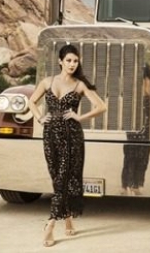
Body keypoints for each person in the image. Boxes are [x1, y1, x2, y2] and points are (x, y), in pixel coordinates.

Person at [27, 44, 107, 248]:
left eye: (75, 61)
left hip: (72, 136)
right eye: (69, 60)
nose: (72, 64)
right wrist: (40, 118)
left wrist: (80, 117)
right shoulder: (47, 82)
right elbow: (31, 102)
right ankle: (69, 217)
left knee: (64, 177)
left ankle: (50, 225)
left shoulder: (80, 85)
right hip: (50, 135)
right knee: (57, 177)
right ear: (60, 61)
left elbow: (102, 106)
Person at [121, 64, 150, 195]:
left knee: (143, 157)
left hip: (146, 132)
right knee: (131, 156)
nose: (147, 84)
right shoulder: (131, 98)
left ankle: (138, 184)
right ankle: (127, 185)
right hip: (134, 130)